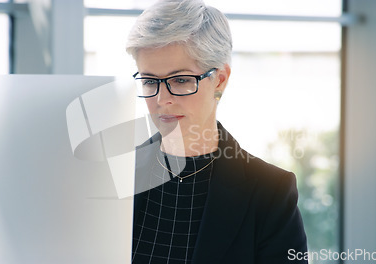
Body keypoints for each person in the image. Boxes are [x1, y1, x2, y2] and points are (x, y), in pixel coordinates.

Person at [126, 0, 308, 263]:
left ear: (220, 79)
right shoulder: (115, 174)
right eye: (150, 81)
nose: (162, 99)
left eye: (180, 80)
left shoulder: (269, 194)